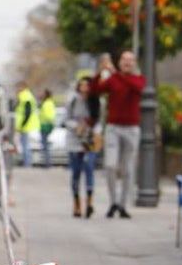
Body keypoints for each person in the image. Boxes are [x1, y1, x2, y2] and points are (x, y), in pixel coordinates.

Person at [90, 50, 145, 219]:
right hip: (113, 127)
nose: (127, 63)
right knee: (110, 165)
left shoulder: (138, 79)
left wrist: (115, 73)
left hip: (132, 128)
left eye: (130, 60)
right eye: (124, 59)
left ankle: (122, 204)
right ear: (120, 62)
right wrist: (100, 72)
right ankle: (113, 201)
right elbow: (95, 90)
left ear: (134, 63)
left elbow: (136, 88)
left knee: (128, 169)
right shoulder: (113, 79)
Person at [64, 76, 101, 218]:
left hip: (90, 140)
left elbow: (99, 121)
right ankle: (76, 203)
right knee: (76, 171)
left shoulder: (97, 101)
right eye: (82, 85)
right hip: (75, 140)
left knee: (89, 167)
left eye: (87, 85)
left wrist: (95, 132)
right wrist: (76, 127)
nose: (85, 88)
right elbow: (66, 120)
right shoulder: (73, 100)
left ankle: (89, 202)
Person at [14, 81, 39, 167]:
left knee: (25, 145)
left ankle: (27, 164)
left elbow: (27, 112)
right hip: (25, 125)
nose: (17, 89)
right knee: (24, 145)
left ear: (23, 87)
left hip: (26, 126)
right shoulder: (25, 95)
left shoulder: (25, 96)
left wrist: (22, 125)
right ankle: (27, 163)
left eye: (19, 87)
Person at [38, 88, 56, 168]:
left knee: (45, 146)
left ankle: (47, 163)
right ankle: (47, 163)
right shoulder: (47, 102)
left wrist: (50, 125)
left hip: (45, 126)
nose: (41, 95)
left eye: (43, 93)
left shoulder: (47, 103)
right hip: (44, 125)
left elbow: (49, 116)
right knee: (45, 146)